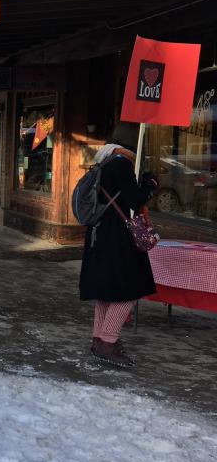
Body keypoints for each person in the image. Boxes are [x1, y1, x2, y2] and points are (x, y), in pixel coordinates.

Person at [79, 121, 159, 367]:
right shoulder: (122, 164)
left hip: (99, 234)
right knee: (129, 288)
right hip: (116, 238)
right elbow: (134, 200)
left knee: (105, 290)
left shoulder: (104, 161)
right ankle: (108, 342)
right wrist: (150, 185)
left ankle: (98, 339)